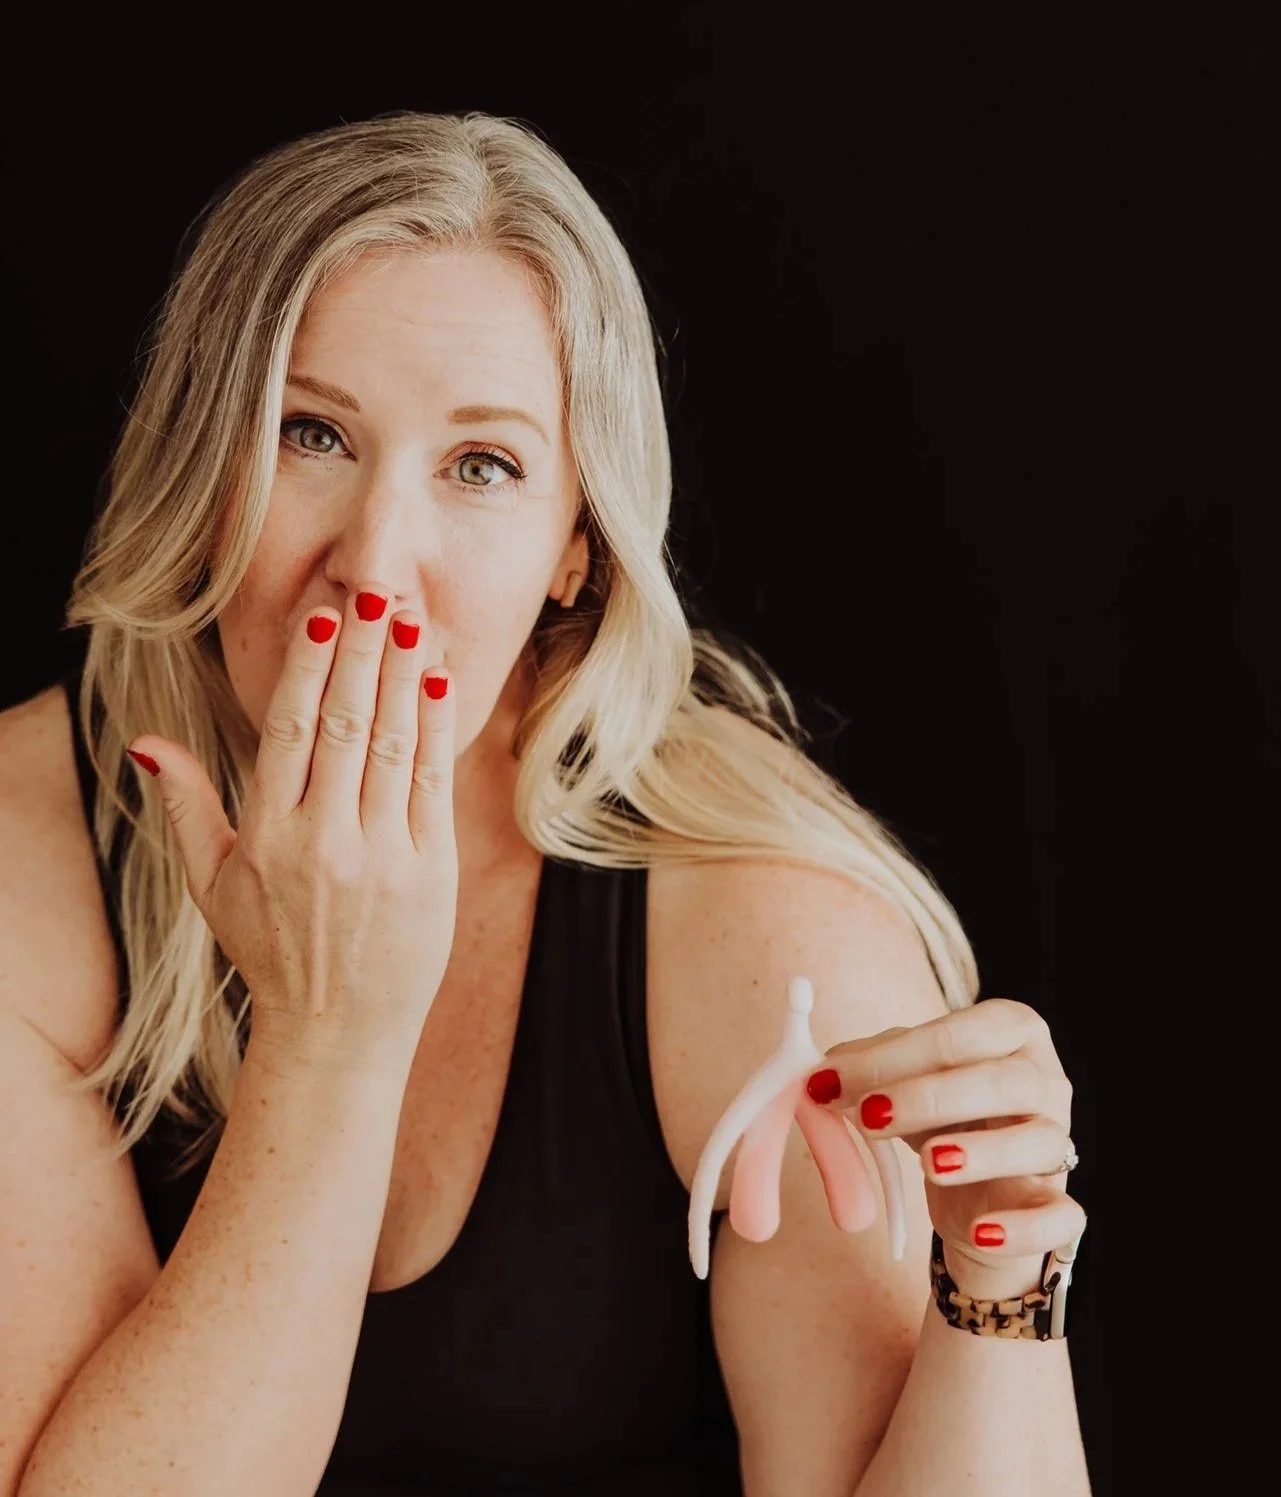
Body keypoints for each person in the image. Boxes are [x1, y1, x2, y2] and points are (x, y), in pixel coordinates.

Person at [0, 110, 1090, 1496]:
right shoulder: (23, 850)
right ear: (201, 464)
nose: (378, 566)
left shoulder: (765, 935)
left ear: (577, 546)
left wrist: (1000, 1290)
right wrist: (332, 1041)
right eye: (310, 431)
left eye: (482, 466)